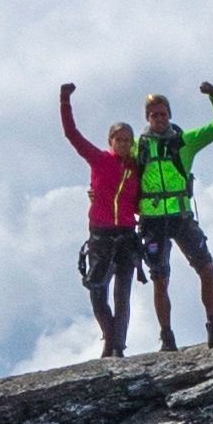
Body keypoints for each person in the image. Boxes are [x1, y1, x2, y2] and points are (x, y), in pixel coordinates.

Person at [134, 83, 213, 349]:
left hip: (181, 216)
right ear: (147, 117)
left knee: (206, 268)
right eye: (154, 114)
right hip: (153, 220)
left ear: (169, 114)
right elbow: (111, 168)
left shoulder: (185, 141)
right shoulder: (137, 147)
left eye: (163, 113)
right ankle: (167, 339)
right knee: (160, 279)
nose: (159, 118)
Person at [58, 83, 141, 357]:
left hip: (127, 236)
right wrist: (65, 100)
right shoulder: (99, 160)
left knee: (122, 296)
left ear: (132, 144)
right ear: (110, 142)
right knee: (96, 290)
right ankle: (110, 337)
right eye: (118, 139)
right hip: (101, 235)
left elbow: (140, 201)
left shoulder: (137, 169)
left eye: (127, 139)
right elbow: (71, 134)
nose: (122, 143)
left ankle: (116, 347)